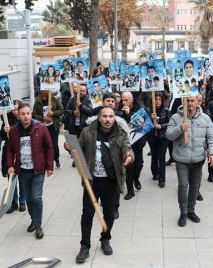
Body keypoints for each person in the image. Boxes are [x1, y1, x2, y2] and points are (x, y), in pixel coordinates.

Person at [71, 107, 134, 263]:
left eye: (110, 116)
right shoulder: (87, 132)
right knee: (87, 215)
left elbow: (128, 148)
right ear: (99, 118)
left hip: (111, 180)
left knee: (109, 214)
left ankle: (105, 239)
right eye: (104, 116)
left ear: (114, 118)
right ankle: (84, 246)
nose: (107, 119)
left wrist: (128, 156)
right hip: (91, 181)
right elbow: (77, 149)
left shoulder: (120, 134)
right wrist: (69, 148)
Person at [166, 95, 213, 227]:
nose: (189, 103)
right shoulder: (176, 117)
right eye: (187, 100)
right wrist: (179, 128)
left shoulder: (205, 118)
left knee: (195, 187)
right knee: (183, 186)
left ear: (198, 102)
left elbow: (212, 138)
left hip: (198, 159)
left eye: (192, 101)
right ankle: (183, 212)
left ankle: (191, 210)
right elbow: (169, 135)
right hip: (181, 159)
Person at [7, 103, 54, 239]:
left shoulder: (40, 127)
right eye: (23, 114)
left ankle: (38, 225)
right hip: (22, 170)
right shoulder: (14, 131)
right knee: (28, 198)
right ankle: (33, 219)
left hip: (38, 169)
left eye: (28, 113)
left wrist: (50, 166)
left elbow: (49, 147)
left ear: (31, 113)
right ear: (18, 115)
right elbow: (10, 149)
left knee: (36, 197)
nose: (26, 116)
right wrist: (10, 164)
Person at [0, 100, 28, 213]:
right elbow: (1, 137)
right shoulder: (6, 120)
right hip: (10, 153)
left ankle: (22, 201)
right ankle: (13, 202)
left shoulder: (25, 121)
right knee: (11, 178)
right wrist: (4, 130)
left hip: (23, 153)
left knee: (22, 179)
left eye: (17, 109)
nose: (15, 111)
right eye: (13, 109)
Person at [121, 92, 147, 200]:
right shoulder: (120, 107)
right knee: (129, 167)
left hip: (137, 141)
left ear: (131, 100)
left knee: (139, 164)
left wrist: (129, 114)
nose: (124, 102)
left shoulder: (139, 107)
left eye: (126, 100)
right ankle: (130, 191)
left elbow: (142, 122)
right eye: (123, 99)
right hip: (126, 143)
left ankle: (136, 178)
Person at [33, 90, 64, 169]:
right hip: (43, 127)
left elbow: (61, 110)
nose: (44, 90)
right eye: (42, 89)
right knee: (44, 145)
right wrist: (43, 118)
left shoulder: (54, 99)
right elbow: (34, 114)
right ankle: (47, 162)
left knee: (54, 145)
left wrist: (53, 113)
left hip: (53, 126)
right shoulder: (37, 101)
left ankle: (56, 158)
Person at [150, 93, 171, 188]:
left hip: (163, 138)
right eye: (156, 99)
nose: (157, 101)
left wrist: (161, 126)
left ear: (162, 101)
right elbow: (144, 124)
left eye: (159, 100)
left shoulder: (166, 111)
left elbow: (170, 124)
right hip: (152, 138)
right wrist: (151, 119)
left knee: (161, 158)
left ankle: (162, 179)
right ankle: (155, 173)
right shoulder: (149, 110)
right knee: (154, 156)